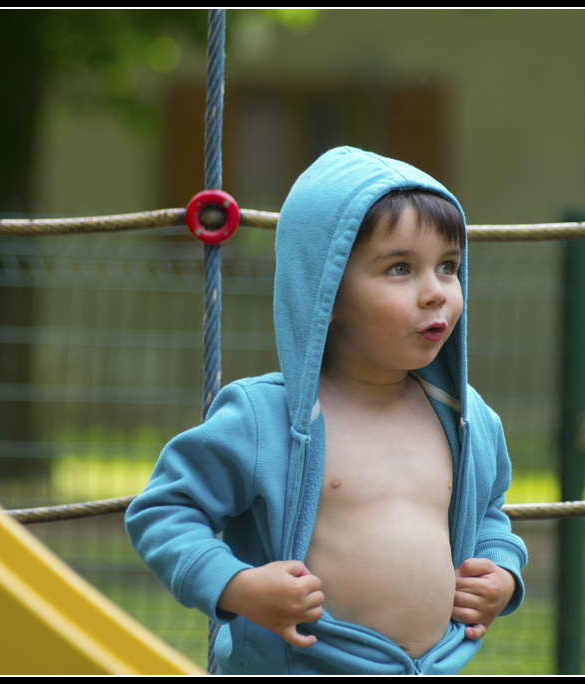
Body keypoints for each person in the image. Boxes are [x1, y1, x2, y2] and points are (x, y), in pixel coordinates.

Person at [126, 146, 527, 674]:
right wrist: (238, 587)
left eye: (448, 267)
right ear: (326, 292)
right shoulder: (263, 418)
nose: (436, 293)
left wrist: (500, 570)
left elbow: (490, 510)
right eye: (401, 268)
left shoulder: (466, 418)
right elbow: (164, 511)